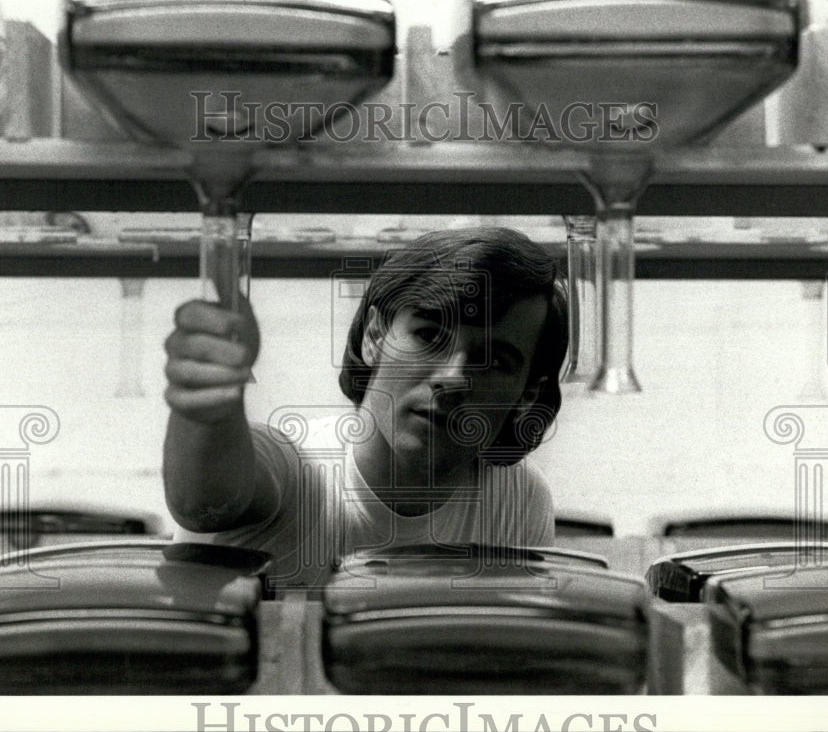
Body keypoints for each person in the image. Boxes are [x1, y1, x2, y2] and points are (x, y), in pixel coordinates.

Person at [163, 227, 569, 592]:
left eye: (496, 361)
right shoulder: (298, 466)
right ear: (373, 337)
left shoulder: (519, 497)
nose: (453, 377)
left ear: (528, 394)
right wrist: (206, 406)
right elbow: (202, 500)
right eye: (429, 335)